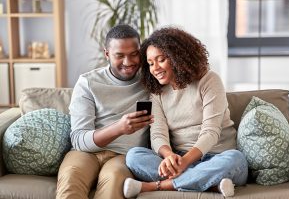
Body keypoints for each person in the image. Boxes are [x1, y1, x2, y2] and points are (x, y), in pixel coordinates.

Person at [123, 27, 248, 198]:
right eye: (151, 63)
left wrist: (184, 163)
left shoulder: (209, 80)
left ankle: (158, 185)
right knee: (134, 156)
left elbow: (211, 132)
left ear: (177, 57)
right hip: (178, 158)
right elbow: (158, 133)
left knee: (236, 159)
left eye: (161, 60)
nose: (155, 68)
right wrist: (169, 157)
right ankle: (208, 183)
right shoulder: (157, 92)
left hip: (218, 157)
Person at [56, 24, 153, 199]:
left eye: (134, 54)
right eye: (119, 56)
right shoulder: (88, 83)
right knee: (71, 178)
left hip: (125, 155)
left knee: (113, 180)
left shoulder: (151, 81)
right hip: (85, 153)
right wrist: (119, 128)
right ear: (107, 54)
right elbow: (78, 139)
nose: (128, 62)